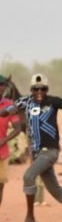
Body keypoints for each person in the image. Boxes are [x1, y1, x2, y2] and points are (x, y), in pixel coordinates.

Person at [0, 74, 62, 222]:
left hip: (50, 151)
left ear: (47, 89)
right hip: (37, 154)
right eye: (36, 89)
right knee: (55, 190)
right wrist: (5, 110)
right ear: (31, 89)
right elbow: (7, 111)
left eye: (43, 88)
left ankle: (30, 217)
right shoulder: (25, 102)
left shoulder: (54, 101)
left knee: (28, 176)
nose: (39, 92)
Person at [0, 75, 21, 214]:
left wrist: (4, 140)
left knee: (0, 186)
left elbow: (18, 128)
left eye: (2, 85)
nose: (0, 88)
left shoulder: (9, 105)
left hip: (2, 153)